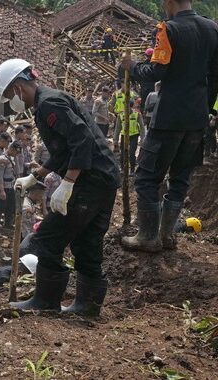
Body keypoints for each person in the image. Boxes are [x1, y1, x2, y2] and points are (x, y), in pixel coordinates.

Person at [0, 58, 120, 316]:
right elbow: (63, 149)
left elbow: (81, 140)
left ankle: (46, 301)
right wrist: (37, 175)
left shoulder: (49, 104)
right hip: (103, 177)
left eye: (9, 96)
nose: (12, 103)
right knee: (87, 242)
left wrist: (68, 183)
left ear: (18, 86)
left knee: (48, 238)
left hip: (90, 181)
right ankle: (87, 307)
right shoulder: (48, 101)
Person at [121, 0, 218, 253]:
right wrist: (204, 110)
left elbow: (157, 70)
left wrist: (132, 67)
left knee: (146, 177)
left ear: (168, 2)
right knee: (180, 178)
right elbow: (215, 76)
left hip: (168, 118)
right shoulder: (213, 29)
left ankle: (148, 236)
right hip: (197, 120)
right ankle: (167, 236)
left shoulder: (167, 29)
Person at [0, 140, 21, 232]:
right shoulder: (2, 159)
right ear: (12, 149)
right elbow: (0, 176)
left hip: (10, 185)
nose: (16, 155)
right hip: (3, 186)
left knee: (10, 206)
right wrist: (2, 191)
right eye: (16, 152)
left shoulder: (11, 157)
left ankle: (7, 224)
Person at [117, 100, 145, 174]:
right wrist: (115, 139)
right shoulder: (121, 115)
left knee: (132, 153)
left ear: (131, 106)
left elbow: (142, 127)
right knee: (123, 152)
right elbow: (117, 128)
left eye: (128, 106)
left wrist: (142, 138)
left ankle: (132, 170)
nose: (126, 108)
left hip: (134, 135)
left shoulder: (137, 114)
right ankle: (122, 168)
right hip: (124, 135)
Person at [112, 84, 138, 151]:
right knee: (117, 130)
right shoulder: (116, 94)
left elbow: (137, 101)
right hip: (119, 115)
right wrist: (115, 111)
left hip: (131, 114)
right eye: (123, 84)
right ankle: (116, 146)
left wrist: (135, 108)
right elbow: (111, 105)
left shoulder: (132, 93)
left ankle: (128, 150)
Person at [139, 48, 156, 114]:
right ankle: (144, 113)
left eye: (150, 56)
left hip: (151, 86)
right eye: (148, 56)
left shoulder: (155, 63)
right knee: (145, 101)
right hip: (146, 86)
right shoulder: (145, 64)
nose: (149, 58)